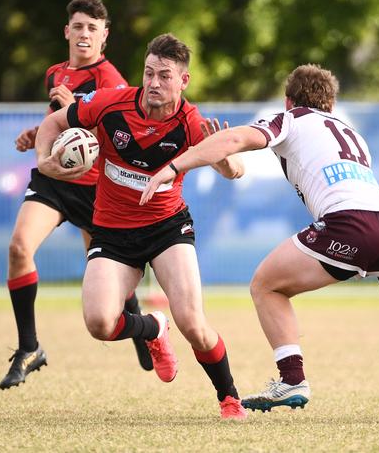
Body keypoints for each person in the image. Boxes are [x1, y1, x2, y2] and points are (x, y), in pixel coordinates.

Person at [140, 63, 379, 421]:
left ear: (289, 101)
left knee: (266, 286)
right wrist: (219, 156)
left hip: (352, 223)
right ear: (330, 104)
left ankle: (291, 379)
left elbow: (238, 138)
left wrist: (173, 167)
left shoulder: (290, 118)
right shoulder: (351, 133)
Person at [34, 33, 248, 420]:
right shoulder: (110, 104)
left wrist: (221, 158)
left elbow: (235, 170)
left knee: (194, 325)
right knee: (99, 323)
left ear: (183, 81)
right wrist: (45, 160)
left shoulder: (191, 122)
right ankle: (151, 329)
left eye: (164, 76)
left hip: (167, 229)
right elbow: (53, 122)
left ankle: (229, 398)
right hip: (113, 231)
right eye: (149, 73)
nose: (153, 83)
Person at [0, 0, 153, 391]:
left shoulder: (112, 82)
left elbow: (120, 138)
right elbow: (63, 125)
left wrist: (73, 110)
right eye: (78, 27)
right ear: (67, 31)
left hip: (94, 190)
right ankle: (29, 347)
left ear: (105, 36)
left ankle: (142, 330)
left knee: (111, 283)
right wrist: (39, 132)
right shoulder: (55, 74)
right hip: (54, 180)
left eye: (93, 28)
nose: (84, 34)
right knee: (19, 249)